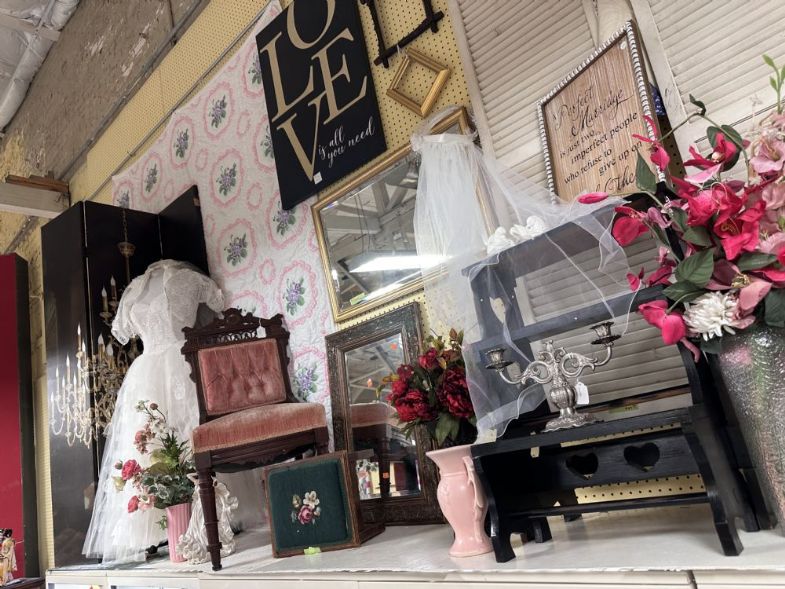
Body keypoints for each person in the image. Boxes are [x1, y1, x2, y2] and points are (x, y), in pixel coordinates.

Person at [83, 260, 224, 564]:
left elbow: (215, 304)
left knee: (190, 432)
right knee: (149, 440)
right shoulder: (134, 290)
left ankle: (209, 514)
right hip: (146, 372)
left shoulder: (186, 279)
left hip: (184, 362)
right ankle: (159, 527)